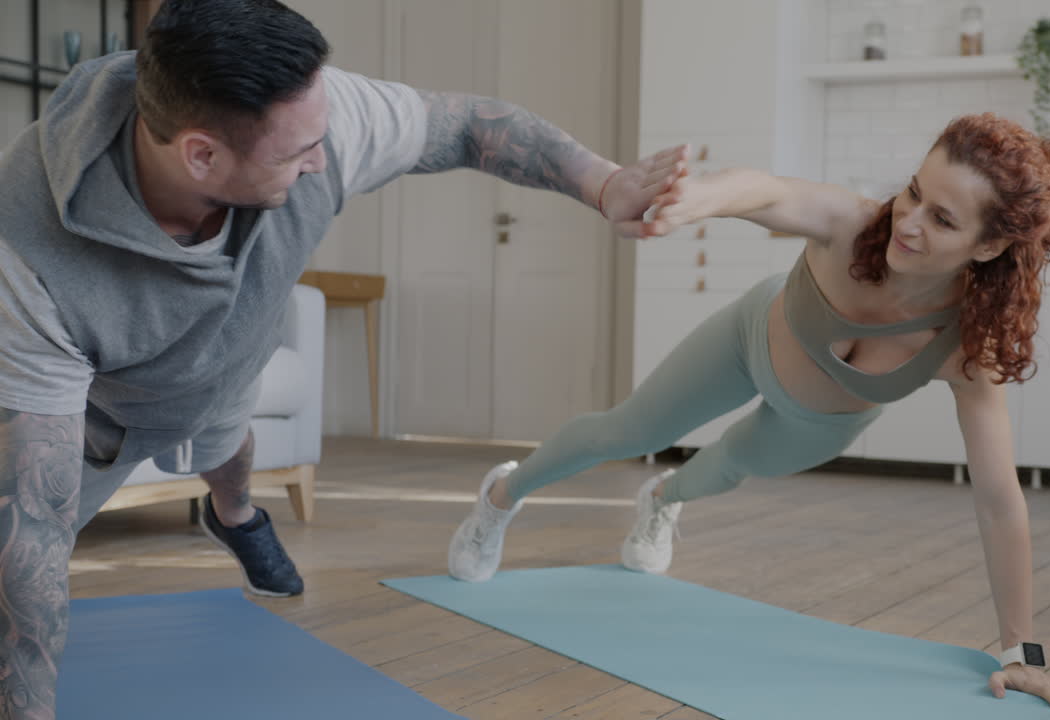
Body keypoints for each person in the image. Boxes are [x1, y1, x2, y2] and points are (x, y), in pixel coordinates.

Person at [0, 0, 684, 716]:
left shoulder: (307, 116)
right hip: (105, 412)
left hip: (231, 363)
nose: (323, 161)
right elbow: (32, 541)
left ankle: (233, 517)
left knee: (228, 446)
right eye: (299, 154)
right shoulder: (26, 244)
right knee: (16, 561)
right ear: (201, 153)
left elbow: (467, 125)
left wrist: (604, 184)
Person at [448, 112, 1050, 711]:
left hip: (822, 423)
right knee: (630, 429)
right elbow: (765, 192)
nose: (910, 221)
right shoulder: (853, 224)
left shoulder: (965, 348)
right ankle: (502, 495)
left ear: (985, 248)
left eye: (943, 219)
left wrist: (1021, 651)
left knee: (724, 467)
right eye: (914, 192)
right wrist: (698, 200)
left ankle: (662, 500)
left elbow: (1000, 499)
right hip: (746, 341)